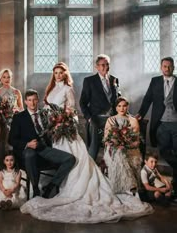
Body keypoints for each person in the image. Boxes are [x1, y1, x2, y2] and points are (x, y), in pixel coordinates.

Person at [20, 70, 153, 223]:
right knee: (59, 158)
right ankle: (55, 186)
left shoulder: (68, 89)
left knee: (74, 159)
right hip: (53, 131)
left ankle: (69, 187)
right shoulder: (50, 89)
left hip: (63, 127)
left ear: (64, 75)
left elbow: (71, 111)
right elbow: (46, 111)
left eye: (61, 73)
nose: (58, 75)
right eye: (55, 73)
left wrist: (63, 122)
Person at [9, 89, 76, 198]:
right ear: (25, 102)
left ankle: (52, 185)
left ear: (38, 100)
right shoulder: (19, 117)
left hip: (44, 149)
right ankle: (35, 188)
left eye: (35, 100)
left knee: (70, 159)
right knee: (30, 154)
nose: (32, 103)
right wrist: (27, 144)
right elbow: (11, 140)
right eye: (29, 100)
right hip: (28, 151)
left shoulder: (45, 114)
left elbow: (52, 131)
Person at [136, 57, 177, 195]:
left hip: (176, 124)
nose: (167, 68)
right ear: (161, 67)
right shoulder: (155, 81)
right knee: (164, 151)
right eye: (165, 66)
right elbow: (148, 99)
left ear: (174, 67)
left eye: (170, 66)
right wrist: (141, 113)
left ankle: (175, 187)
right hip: (161, 124)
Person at [79, 54, 120, 161]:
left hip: (111, 118)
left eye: (107, 64)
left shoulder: (114, 80)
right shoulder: (89, 81)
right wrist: (89, 118)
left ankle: (111, 166)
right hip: (96, 118)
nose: (105, 67)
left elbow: (116, 100)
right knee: (94, 144)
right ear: (96, 67)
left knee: (116, 143)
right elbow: (82, 102)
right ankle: (90, 166)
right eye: (102, 65)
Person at [103, 97, 142, 194]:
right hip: (114, 148)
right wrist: (115, 142)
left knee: (122, 151)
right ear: (116, 108)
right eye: (119, 106)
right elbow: (107, 138)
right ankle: (130, 184)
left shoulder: (133, 120)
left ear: (127, 107)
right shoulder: (111, 120)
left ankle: (129, 186)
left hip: (130, 147)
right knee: (119, 152)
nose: (122, 108)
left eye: (124, 106)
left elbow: (136, 140)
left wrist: (126, 143)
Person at [0, 68, 23, 170]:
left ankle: (15, 169)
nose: (6, 79)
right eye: (4, 77)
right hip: (1, 124)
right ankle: (1, 168)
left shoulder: (17, 92)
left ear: (11, 78)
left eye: (8, 77)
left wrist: (16, 111)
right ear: (0, 79)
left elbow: (21, 108)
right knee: (2, 143)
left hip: (14, 122)